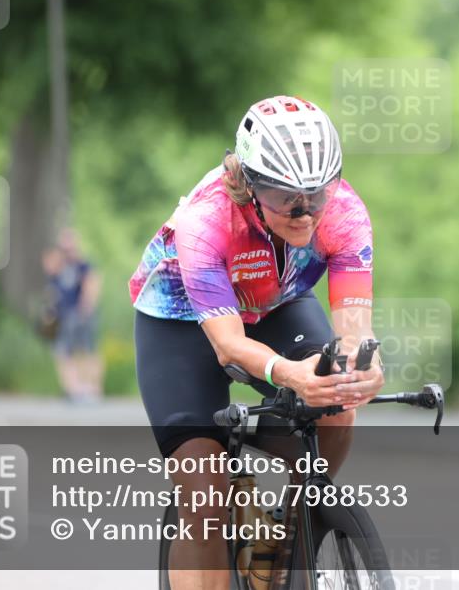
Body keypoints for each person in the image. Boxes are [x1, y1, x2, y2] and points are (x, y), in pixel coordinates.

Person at [129, 95, 384, 589]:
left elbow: (355, 329)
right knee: (204, 496)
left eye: (317, 195)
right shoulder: (207, 219)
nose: (305, 212)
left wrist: (362, 367)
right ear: (249, 183)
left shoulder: (345, 212)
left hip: (274, 304)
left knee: (336, 403)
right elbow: (228, 346)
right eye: (287, 197)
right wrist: (290, 375)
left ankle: (291, 539)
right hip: (180, 322)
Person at [43, 227, 104, 404]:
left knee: (88, 350)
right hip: (63, 315)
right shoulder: (58, 267)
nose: (67, 251)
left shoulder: (83, 265)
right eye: (63, 248)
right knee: (64, 352)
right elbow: (52, 291)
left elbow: (92, 285)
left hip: (80, 314)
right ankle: (73, 389)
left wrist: (86, 308)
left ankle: (93, 389)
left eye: (69, 248)